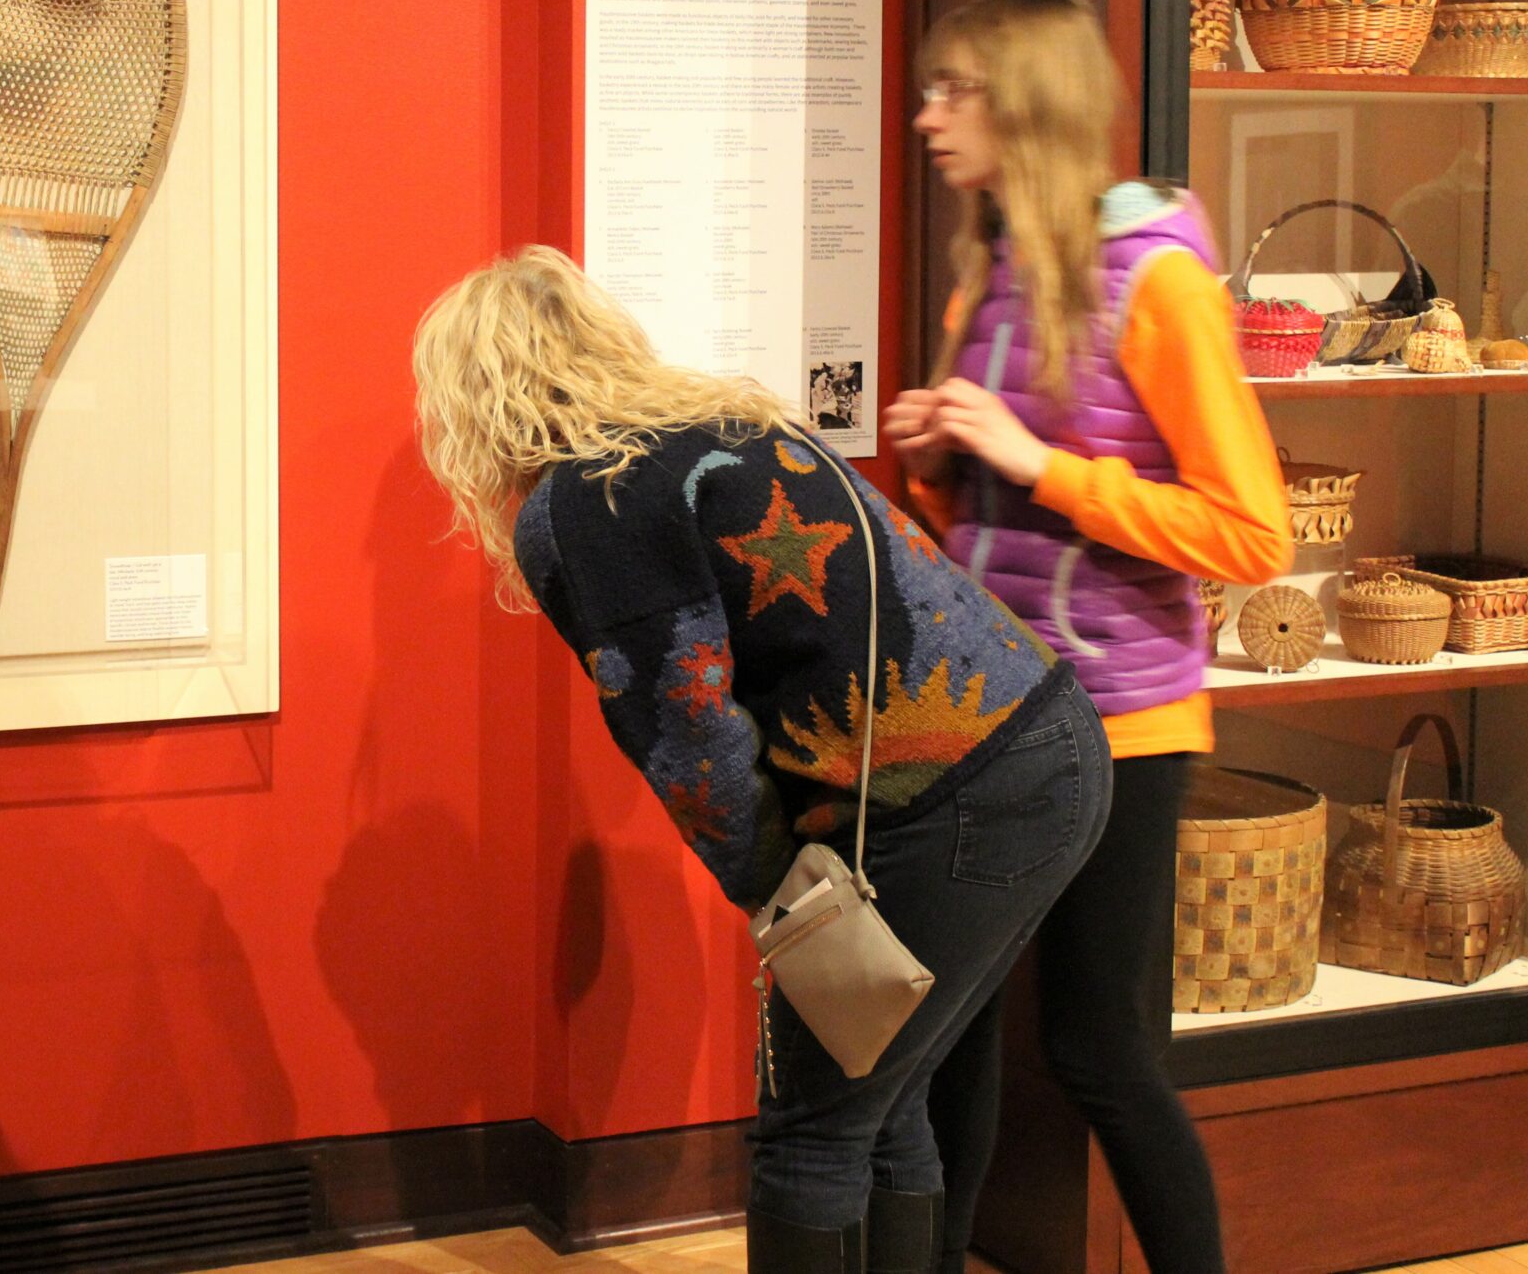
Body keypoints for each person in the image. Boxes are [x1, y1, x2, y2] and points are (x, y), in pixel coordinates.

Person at [413, 247, 1110, 1274]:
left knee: (811, 1136)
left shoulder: (585, 501)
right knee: (886, 1096)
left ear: (473, 397)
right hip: (1050, 746)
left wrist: (782, 897)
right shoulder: (719, 425)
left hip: (950, 798)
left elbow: (685, 731)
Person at [888, 0, 1292, 1274]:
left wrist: (1035, 461)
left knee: (1101, 1052)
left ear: (1030, 103)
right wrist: (940, 462)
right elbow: (987, 524)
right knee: (942, 1035)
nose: (924, 117)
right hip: (989, 715)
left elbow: (1250, 535)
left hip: (1125, 725)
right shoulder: (990, 268)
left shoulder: (1158, 283)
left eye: (953, 90)